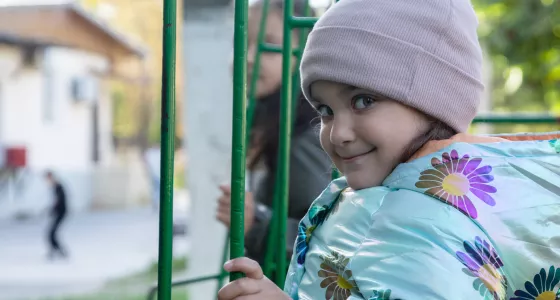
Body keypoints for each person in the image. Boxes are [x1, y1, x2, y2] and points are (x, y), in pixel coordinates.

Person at [217, 0, 560, 299]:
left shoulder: (427, 224)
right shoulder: (406, 198)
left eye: (364, 101)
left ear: (434, 100)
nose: (338, 133)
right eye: (325, 110)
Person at [215, 0, 332, 266]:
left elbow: (329, 238)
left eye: (268, 44)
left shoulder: (307, 134)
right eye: (243, 42)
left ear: (304, 52)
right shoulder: (272, 121)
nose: (250, 56)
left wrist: (254, 223)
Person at [45, 171, 68, 260]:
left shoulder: (58, 187)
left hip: (61, 213)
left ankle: (59, 251)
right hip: (59, 212)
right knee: (51, 234)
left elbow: (59, 201)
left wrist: (53, 209)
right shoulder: (56, 187)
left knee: (51, 233)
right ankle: (55, 251)